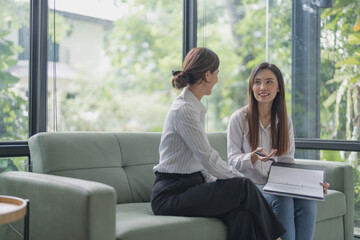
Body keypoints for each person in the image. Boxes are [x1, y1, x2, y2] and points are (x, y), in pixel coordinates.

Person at [151, 48, 286, 240]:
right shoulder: (184, 110)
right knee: (243, 186)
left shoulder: (194, 108)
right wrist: (240, 181)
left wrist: (229, 183)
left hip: (192, 187)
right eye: (216, 73)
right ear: (207, 75)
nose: (217, 78)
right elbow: (208, 160)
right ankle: (276, 238)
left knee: (242, 216)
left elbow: (202, 167)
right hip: (170, 195)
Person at [227, 62, 330, 240]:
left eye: (269, 82)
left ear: (279, 87)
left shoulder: (284, 120)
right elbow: (232, 161)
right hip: (249, 186)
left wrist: (312, 186)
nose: (262, 87)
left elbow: (287, 163)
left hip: (277, 184)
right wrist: (251, 157)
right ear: (251, 86)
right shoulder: (239, 118)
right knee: (282, 201)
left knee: (308, 203)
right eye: (257, 82)